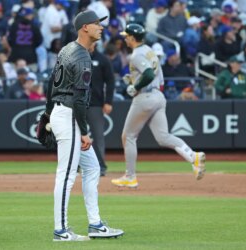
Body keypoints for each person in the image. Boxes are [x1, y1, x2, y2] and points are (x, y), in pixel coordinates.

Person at [43, 10, 124, 241]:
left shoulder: (66, 49)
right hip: (69, 116)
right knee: (66, 174)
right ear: (84, 28)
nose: (101, 27)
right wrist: (85, 133)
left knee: (92, 167)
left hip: (62, 112)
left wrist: (48, 113)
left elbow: (51, 82)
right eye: (97, 24)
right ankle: (61, 230)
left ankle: (96, 224)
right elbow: (79, 99)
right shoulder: (81, 56)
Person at [111, 23, 206, 188]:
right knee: (163, 137)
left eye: (127, 36)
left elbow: (147, 74)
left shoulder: (136, 55)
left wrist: (136, 86)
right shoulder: (149, 50)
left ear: (133, 38)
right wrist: (134, 79)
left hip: (145, 97)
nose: (125, 38)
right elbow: (153, 74)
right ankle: (193, 156)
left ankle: (130, 176)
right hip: (158, 96)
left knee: (129, 136)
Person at [87, 42, 115, 177]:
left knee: (98, 137)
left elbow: (110, 81)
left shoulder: (103, 59)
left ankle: (100, 166)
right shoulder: (75, 57)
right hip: (76, 104)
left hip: (95, 104)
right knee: (73, 136)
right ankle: (75, 165)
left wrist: (108, 101)